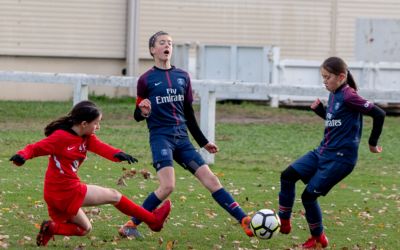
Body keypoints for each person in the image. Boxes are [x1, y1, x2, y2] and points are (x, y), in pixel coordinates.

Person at [118, 31, 253, 238]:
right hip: (161, 137)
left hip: (182, 140)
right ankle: (130, 224)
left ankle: (243, 219)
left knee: (212, 180)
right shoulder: (146, 79)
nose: (167, 46)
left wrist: (203, 142)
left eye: (170, 43)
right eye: (162, 42)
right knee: (168, 186)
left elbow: (189, 113)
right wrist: (143, 111)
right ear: (153, 49)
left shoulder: (183, 76)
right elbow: (137, 114)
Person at [9, 100, 171, 247]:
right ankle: (153, 220)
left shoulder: (86, 137)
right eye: (96, 123)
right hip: (65, 191)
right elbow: (35, 148)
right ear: (84, 123)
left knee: (85, 228)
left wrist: (118, 154)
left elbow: (101, 147)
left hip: (56, 193)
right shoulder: (60, 137)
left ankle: (50, 228)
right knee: (114, 195)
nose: (98, 127)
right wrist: (21, 156)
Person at [277, 57, 385, 248]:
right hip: (322, 152)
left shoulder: (350, 95)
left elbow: (379, 113)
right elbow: (336, 120)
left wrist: (372, 143)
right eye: (323, 77)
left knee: (308, 197)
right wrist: (321, 111)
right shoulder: (334, 93)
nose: (324, 81)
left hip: (340, 160)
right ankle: (283, 221)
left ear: (341, 76)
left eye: (327, 77)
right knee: (287, 176)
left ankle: (318, 238)